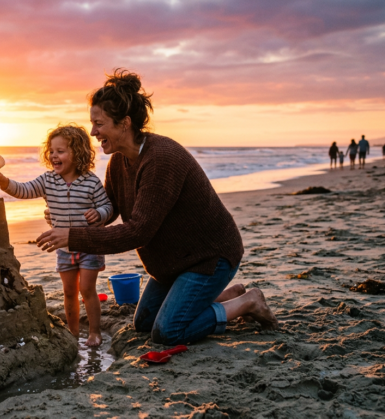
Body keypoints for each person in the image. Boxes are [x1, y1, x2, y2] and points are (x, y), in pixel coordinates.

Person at [35, 69, 278, 346]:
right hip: (173, 263)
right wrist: (68, 213)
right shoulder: (118, 161)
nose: (93, 132)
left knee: (168, 332)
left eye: (99, 124)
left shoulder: (161, 159)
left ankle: (247, 302)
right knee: (145, 323)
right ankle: (227, 295)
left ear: (124, 123)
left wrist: (72, 236)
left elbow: (138, 231)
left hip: (209, 257)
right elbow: (108, 207)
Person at [0, 124, 113, 346]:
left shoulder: (90, 182)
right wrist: (5, 183)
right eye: (52, 151)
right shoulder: (48, 181)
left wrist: (99, 213)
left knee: (87, 289)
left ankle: (95, 333)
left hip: (89, 246)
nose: (54, 155)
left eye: (61, 151)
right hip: (64, 249)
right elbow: (24, 189)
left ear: (79, 153)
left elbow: (107, 206)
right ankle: (73, 333)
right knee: (68, 292)